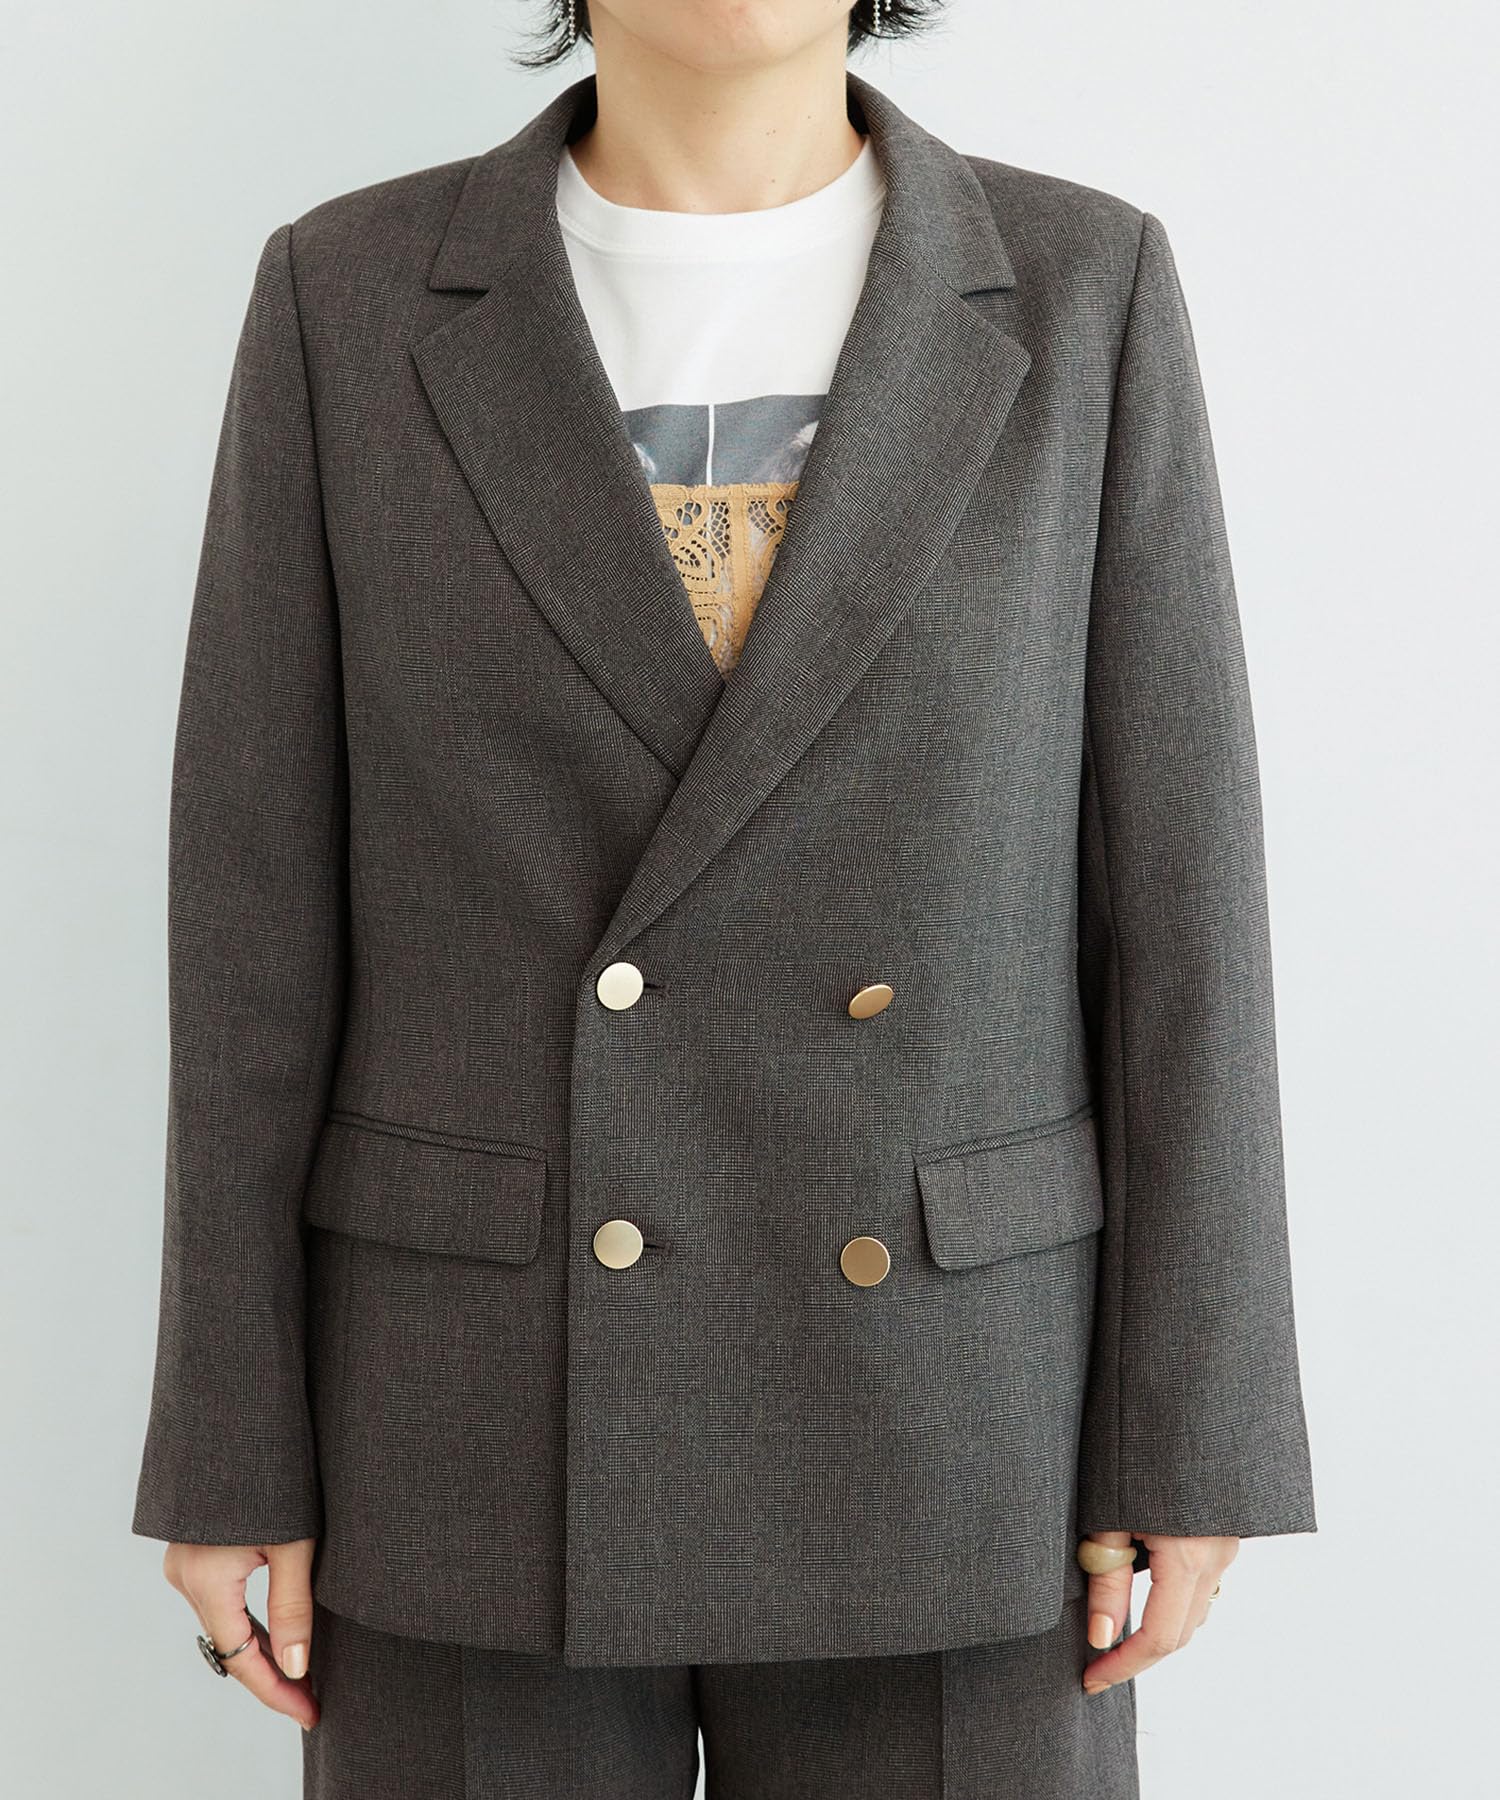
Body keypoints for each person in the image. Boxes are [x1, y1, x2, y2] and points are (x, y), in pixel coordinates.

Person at [131, 3, 1318, 1794]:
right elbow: (251, 917)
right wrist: (231, 1440)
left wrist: (1192, 1427)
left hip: (958, 1420)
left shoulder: (1084, 289)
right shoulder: (347, 295)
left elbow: (1182, 905)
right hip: (472, 1413)